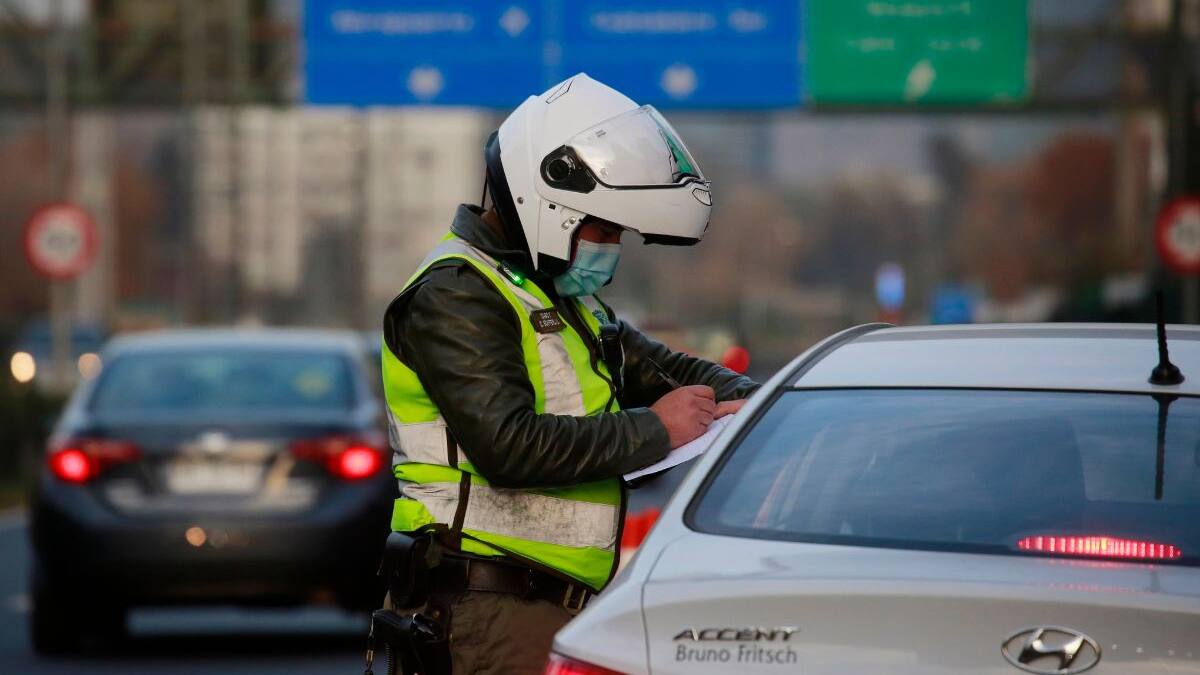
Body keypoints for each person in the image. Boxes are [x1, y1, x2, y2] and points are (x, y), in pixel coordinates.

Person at [377, 73, 759, 674]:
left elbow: (661, 368)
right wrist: (657, 430)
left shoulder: (556, 294)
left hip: (550, 602)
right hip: (488, 605)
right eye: (603, 228)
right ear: (548, 206)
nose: (611, 246)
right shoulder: (456, 294)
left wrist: (768, 405)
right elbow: (509, 445)